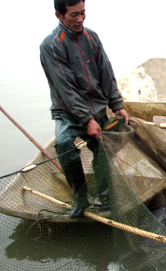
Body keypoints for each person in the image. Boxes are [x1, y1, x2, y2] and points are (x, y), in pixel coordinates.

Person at [40, 0, 129, 218]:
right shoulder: (51, 46)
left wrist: (116, 104)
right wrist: (86, 119)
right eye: (73, 15)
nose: (80, 19)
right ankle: (80, 199)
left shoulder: (91, 37)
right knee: (63, 145)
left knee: (103, 151)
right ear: (59, 16)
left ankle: (106, 198)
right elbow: (66, 88)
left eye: (83, 13)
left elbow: (106, 72)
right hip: (67, 112)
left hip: (96, 107)